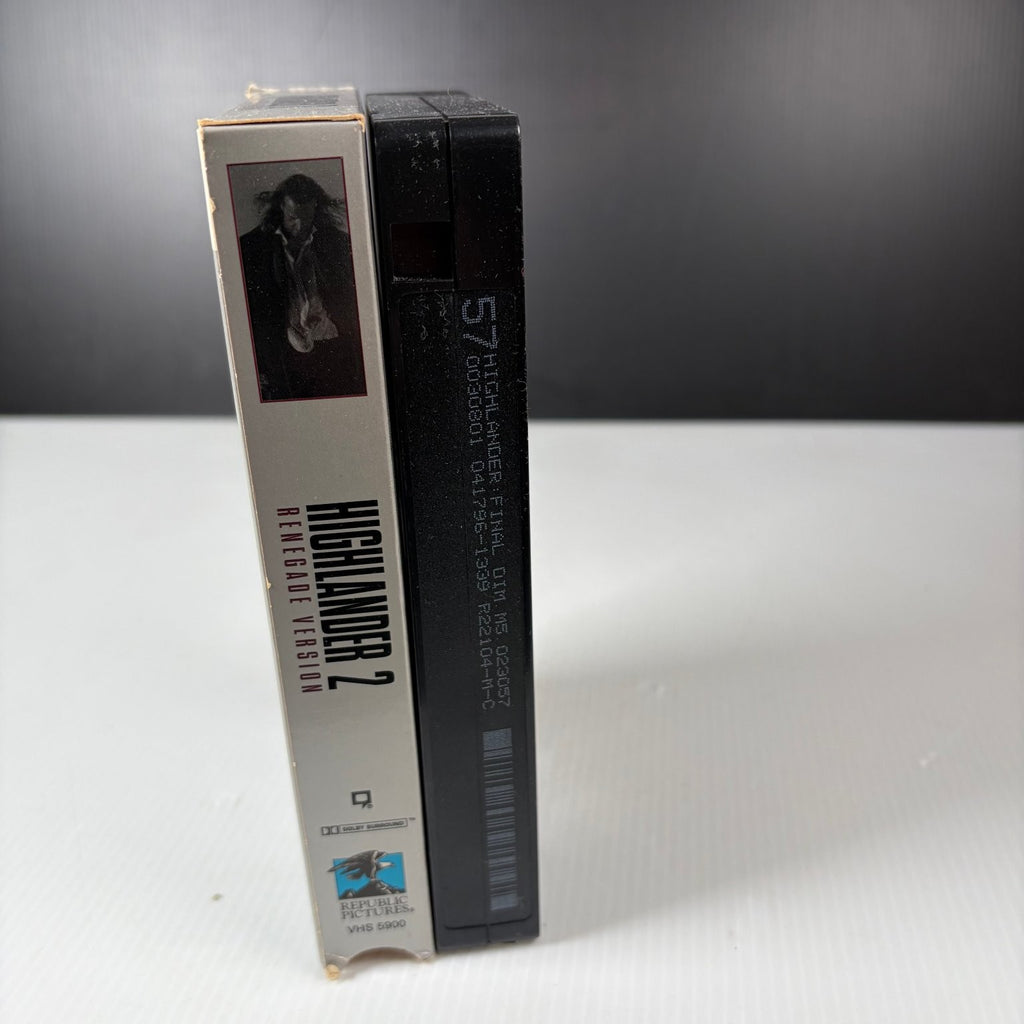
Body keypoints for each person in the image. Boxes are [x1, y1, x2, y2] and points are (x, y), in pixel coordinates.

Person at [239, 172, 365, 401]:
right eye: (293, 218)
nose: (300, 227)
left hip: (332, 344)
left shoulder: (339, 243)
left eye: (307, 219)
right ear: (280, 208)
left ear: (316, 208)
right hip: (283, 353)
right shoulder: (251, 248)